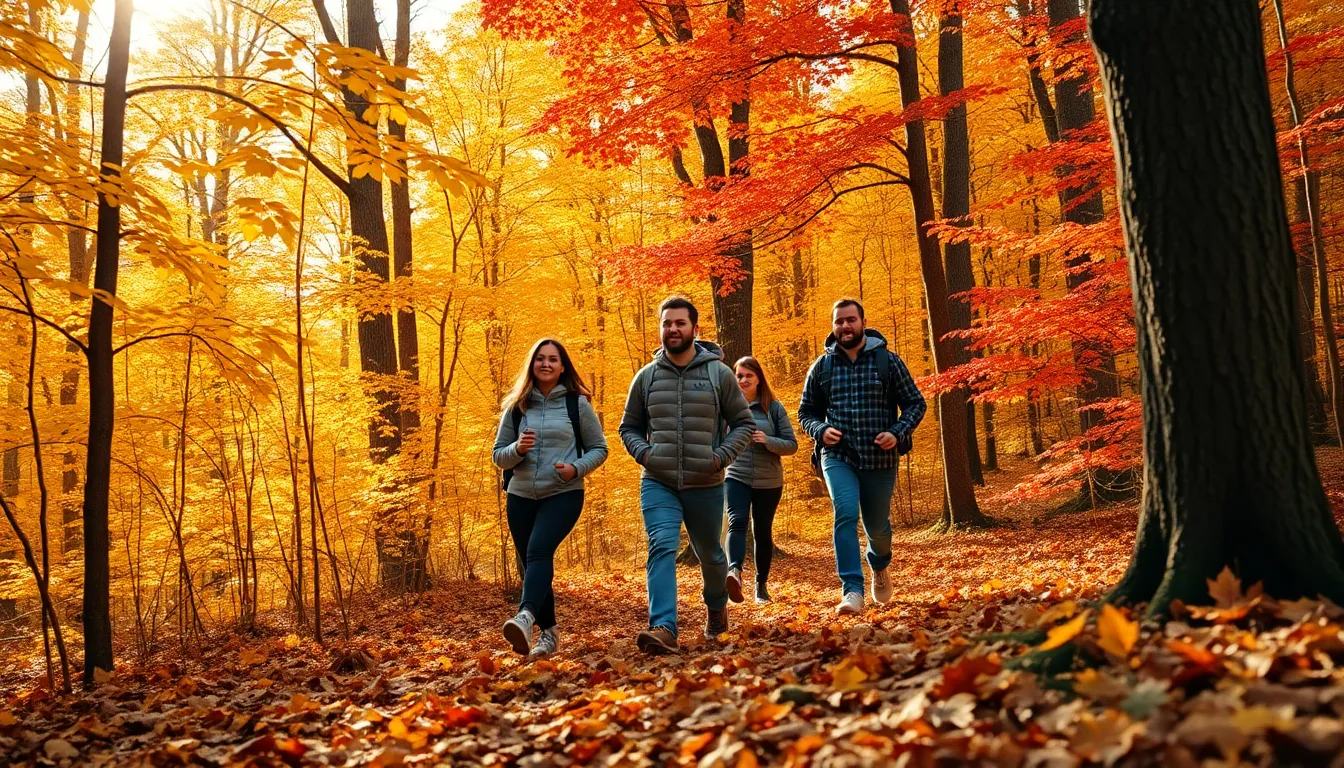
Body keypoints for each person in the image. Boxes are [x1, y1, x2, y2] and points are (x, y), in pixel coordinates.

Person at [619, 296, 755, 655]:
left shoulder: (718, 374)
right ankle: (663, 626)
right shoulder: (646, 378)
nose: (673, 329)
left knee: (710, 554)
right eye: (667, 323)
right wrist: (646, 454)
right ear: (660, 329)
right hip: (658, 481)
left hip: (705, 482)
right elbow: (628, 427)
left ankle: (715, 607)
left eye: (680, 323)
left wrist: (720, 457)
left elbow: (743, 423)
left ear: (695, 329)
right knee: (661, 544)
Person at [798, 299, 926, 615]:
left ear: (862, 322)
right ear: (833, 325)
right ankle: (852, 590)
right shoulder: (822, 367)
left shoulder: (888, 362)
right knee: (844, 513)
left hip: (880, 458)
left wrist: (897, 432)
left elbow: (915, 404)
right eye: (839, 321)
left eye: (850, 320)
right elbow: (806, 412)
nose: (845, 326)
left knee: (878, 528)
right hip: (837, 455)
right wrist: (820, 430)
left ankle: (879, 565)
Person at [492, 338, 608, 659]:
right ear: (532, 365)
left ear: (562, 366)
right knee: (531, 563)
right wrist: (517, 449)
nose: (545, 364)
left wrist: (575, 468)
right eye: (540, 359)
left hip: (563, 493)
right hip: (520, 496)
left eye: (552, 360)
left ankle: (525, 616)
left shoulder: (577, 405)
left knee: (538, 550)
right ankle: (550, 632)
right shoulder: (517, 407)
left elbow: (600, 449)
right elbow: (498, 456)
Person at [724, 356, 797, 604]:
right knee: (737, 521)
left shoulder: (773, 408)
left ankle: (761, 586)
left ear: (758, 379)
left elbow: (791, 445)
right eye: (739, 375)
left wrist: (768, 440)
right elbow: (716, 442)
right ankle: (734, 571)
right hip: (736, 475)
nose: (743, 380)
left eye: (748, 376)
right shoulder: (728, 407)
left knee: (762, 531)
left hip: (769, 480)